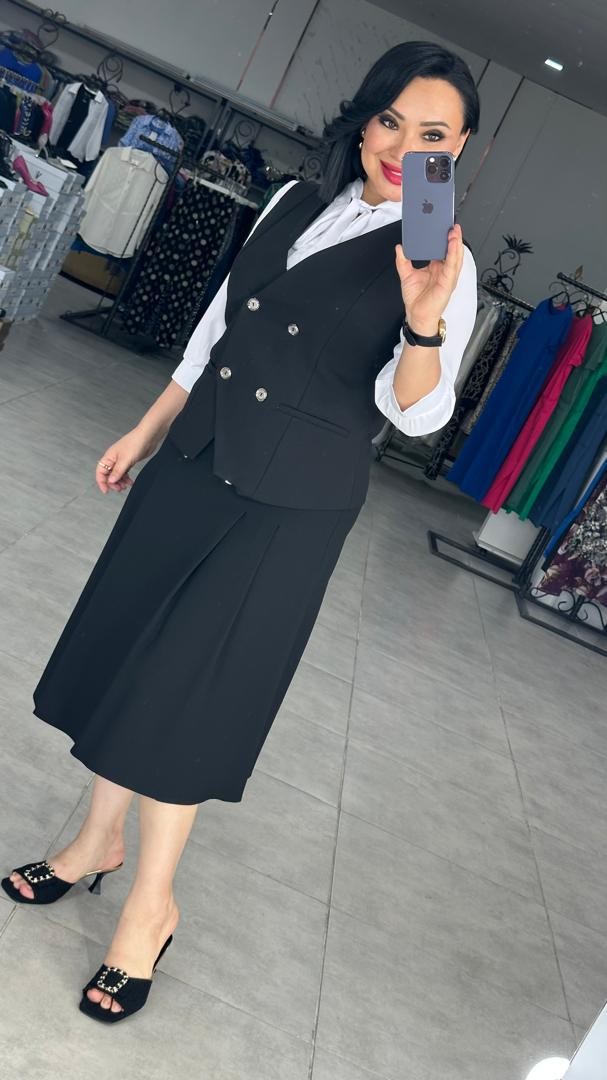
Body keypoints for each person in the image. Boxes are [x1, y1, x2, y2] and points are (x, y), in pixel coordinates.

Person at [2, 40, 479, 1022]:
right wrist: (147, 429)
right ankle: (96, 842)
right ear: (364, 120)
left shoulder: (442, 256)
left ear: (459, 147)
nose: (404, 148)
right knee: (127, 653)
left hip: (286, 506)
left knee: (187, 695)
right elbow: (218, 328)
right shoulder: (293, 200)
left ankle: (150, 909)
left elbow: (415, 413)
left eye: (432, 134)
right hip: (193, 462)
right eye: (390, 120)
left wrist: (423, 323)